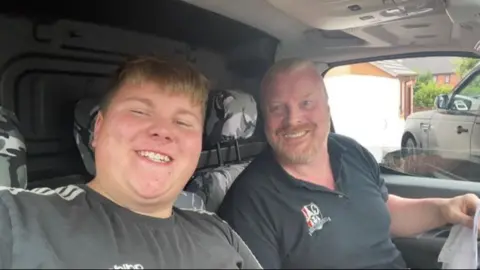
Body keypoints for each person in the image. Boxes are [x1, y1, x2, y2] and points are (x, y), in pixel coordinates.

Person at [0, 56, 262, 269]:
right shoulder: (18, 217)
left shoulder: (217, 232)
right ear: (97, 130)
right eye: (139, 111)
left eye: (182, 122)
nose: (162, 130)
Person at [217, 58, 480, 269]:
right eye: (277, 108)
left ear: (327, 108)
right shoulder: (250, 202)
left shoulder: (349, 151)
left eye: (306, 103)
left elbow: (382, 212)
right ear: (265, 119)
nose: (293, 119)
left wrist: (445, 209)